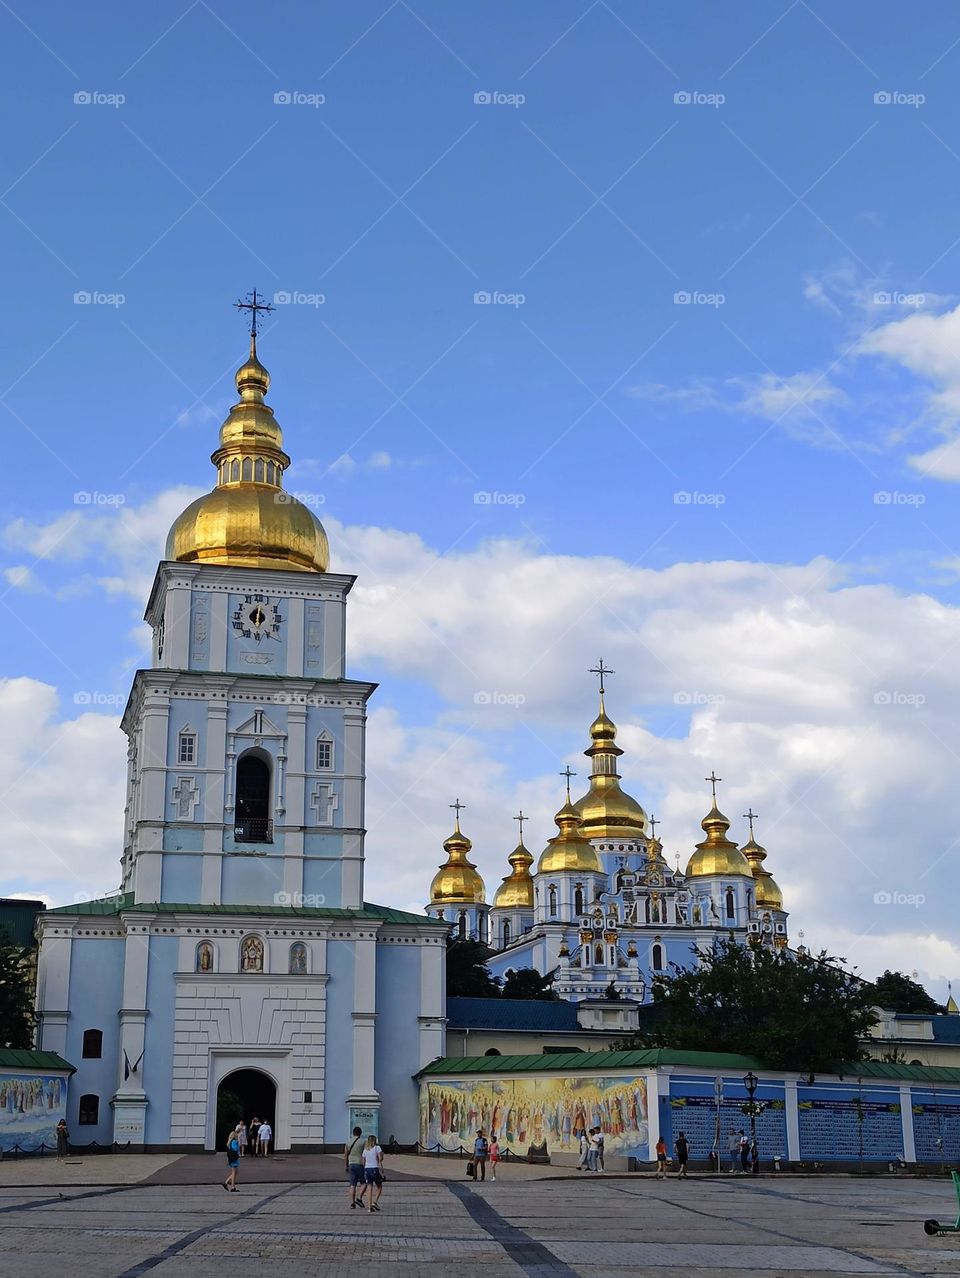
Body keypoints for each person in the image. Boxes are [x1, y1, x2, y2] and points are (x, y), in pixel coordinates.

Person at [358, 1134, 384, 1212]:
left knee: (369, 1188)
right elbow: (380, 1159)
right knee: (379, 1186)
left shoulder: (365, 1150)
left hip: (367, 1170)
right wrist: (381, 1156)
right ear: (374, 1140)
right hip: (374, 1169)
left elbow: (363, 1161)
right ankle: (374, 1202)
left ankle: (369, 1207)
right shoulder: (377, 1148)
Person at [345, 1125, 366, 1209]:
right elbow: (365, 1153)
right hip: (360, 1164)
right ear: (360, 1133)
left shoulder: (348, 1142)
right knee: (364, 1183)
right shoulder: (363, 1142)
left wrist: (346, 1165)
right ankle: (359, 1198)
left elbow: (345, 1155)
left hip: (351, 1164)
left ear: (353, 1133)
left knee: (352, 1185)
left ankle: (352, 1203)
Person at [223, 1126, 241, 1191]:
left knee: (236, 1172)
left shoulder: (230, 1142)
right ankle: (233, 1187)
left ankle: (226, 1182)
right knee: (234, 1172)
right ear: (234, 1136)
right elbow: (235, 1149)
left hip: (232, 1158)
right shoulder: (234, 1142)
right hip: (234, 1158)